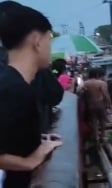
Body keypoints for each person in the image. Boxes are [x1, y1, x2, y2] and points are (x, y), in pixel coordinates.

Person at [0, 1, 62, 187]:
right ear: (37, 40)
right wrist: (31, 161)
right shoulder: (14, 89)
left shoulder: (13, 83)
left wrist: (41, 143)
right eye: (49, 38)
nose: (50, 46)